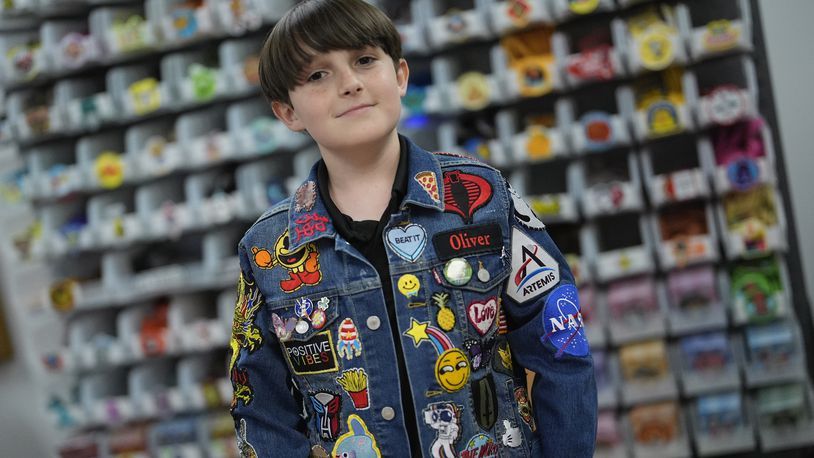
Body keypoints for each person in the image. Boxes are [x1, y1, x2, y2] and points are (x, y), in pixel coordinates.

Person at [228, 0, 597, 456]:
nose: (350, 83)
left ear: (400, 75)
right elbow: (260, 409)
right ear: (288, 113)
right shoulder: (269, 249)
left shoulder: (481, 195)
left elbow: (561, 346)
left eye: (364, 60)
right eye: (317, 75)